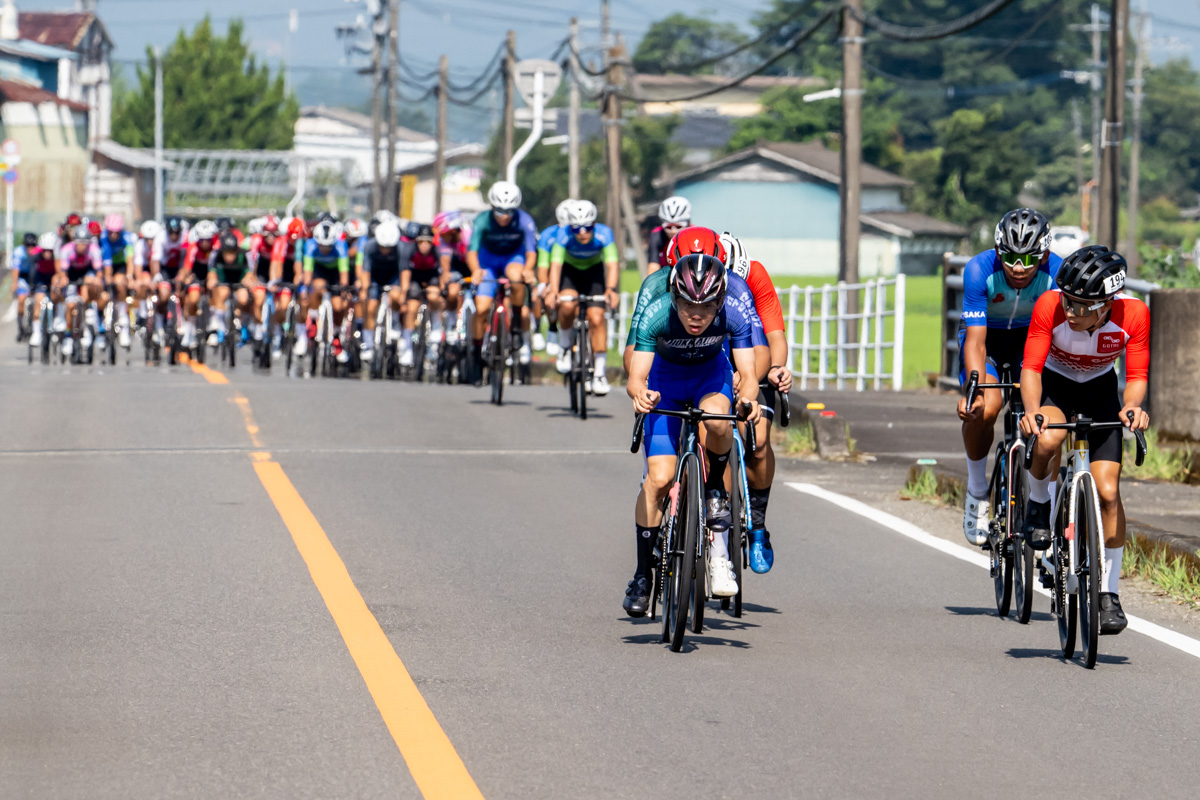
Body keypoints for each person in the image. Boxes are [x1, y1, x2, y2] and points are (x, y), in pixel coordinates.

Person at [1018, 245, 1149, 636]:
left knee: (1108, 492)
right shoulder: (1049, 305)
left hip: (1100, 389)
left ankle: (1109, 594)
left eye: (1080, 306)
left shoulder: (1134, 314)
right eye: (1068, 302)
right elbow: (1031, 368)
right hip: (1055, 384)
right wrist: (1032, 411)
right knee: (1048, 439)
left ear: (1106, 305)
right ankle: (1039, 502)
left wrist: (1132, 407)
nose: (1070, 311)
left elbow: (1137, 375)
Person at [624, 251, 763, 616]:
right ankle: (642, 574)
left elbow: (748, 375)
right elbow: (636, 377)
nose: (696, 315)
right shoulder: (656, 315)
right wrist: (641, 395)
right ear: (674, 298)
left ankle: (714, 487)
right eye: (687, 305)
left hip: (709, 378)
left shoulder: (733, 314)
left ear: (720, 300)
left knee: (718, 420)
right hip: (665, 384)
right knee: (659, 480)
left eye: (706, 306)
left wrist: (748, 400)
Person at [957, 208, 1062, 546]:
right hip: (986, 339)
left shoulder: (1057, 272)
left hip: (1030, 341)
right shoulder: (979, 269)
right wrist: (975, 388)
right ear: (997, 250)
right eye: (1010, 257)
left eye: (1029, 259)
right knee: (986, 407)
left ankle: (1048, 507)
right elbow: (976, 341)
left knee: (1049, 420)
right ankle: (977, 491)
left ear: (1044, 255)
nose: (1018, 268)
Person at [719, 233, 792, 573]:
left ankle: (757, 523)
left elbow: (774, 335)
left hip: (753, 359)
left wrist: (776, 369)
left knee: (758, 441)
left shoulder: (755, 275)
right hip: (710, 360)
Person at [544, 199, 620, 396]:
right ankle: (565, 345)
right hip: (569, 273)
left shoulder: (604, 233)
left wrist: (611, 289)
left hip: (594, 274)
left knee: (596, 318)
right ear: (571, 227)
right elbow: (556, 265)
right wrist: (553, 291)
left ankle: (600, 374)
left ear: (594, 224)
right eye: (577, 229)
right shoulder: (563, 234)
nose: (583, 233)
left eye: (587, 227)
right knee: (567, 305)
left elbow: (612, 264)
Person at [466, 181, 538, 380]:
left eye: (509, 211)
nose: (504, 216)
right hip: (487, 261)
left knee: (517, 277)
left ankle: (516, 324)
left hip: (513, 257)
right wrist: (475, 271)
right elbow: (472, 251)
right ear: (492, 207)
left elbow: (531, 252)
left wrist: (528, 270)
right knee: (481, 308)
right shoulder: (482, 220)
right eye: (499, 211)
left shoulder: (525, 220)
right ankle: (477, 353)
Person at [358, 220, 408, 362]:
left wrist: (403, 292)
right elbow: (366, 270)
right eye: (382, 247)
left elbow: (404, 271)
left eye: (389, 248)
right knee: (371, 306)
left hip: (393, 277)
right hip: (375, 277)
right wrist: (365, 289)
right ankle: (368, 344)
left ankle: (395, 322)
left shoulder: (401, 248)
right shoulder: (369, 246)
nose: (385, 250)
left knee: (396, 296)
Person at [397, 224, 443, 366]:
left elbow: (442, 273)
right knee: (412, 308)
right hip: (415, 278)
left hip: (431, 277)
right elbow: (405, 272)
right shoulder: (409, 250)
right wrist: (404, 294)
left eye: (428, 241)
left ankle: (436, 326)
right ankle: (407, 347)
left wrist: (442, 291)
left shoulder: (437, 252)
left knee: (434, 296)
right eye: (421, 241)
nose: (424, 245)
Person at [536, 199, 573, 354]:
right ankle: (550, 327)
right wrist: (544, 284)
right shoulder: (548, 235)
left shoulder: (581, 234)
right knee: (542, 293)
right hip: (553, 271)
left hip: (573, 273)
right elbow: (543, 265)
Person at [100, 215, 136, 348]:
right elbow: (106, 261)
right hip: (105, 264)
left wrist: (130, 276)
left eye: (117, 232)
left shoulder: (127, 237)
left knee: (120, 282)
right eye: (111, 232)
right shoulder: (103, 238)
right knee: (102, 288)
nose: (114, 235)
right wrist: (107, 277)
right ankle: (100, 322)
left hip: (121, 265)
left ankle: (122, 318)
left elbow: (130, 259)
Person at [433, 210, 469, 344]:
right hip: (456, 267)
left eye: (443, 234)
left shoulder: (468, 237)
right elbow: (445, 268)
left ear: (453, 231)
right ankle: (451, 322)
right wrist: (444, 289)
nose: (441, 238)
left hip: (472, 265)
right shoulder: (444, 242)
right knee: (452, 292)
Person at [646, 196, 692, 273]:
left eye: (678, 226)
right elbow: (653, 268)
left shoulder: (695, 235)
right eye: (668, 227)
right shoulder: (657, 235)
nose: (673, 231)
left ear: (688, 224)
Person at [12, 231, 38, 341]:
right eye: (28, 245)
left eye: (32, 245)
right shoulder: (18, 252)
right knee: (21, 300)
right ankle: (21, 328)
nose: (30, 248)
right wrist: (15, 283)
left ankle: (35, 326)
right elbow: (16, 268)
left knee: (37, 301)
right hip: (23, 277)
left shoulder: (39, 251)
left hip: (35, 276)